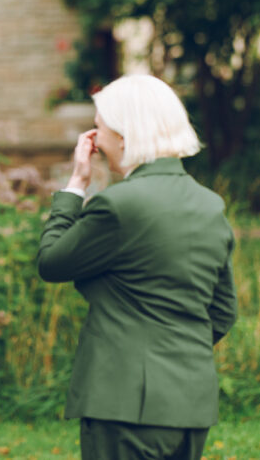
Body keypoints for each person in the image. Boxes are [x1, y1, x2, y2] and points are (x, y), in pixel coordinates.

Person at [37, 75, 237, 460]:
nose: (94, 138)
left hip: (122, 402)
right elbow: (224, 311)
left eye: (98, 127)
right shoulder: (210, 205)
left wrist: (76, 185)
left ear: (124, 136)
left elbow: (51, 261)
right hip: (190, 402)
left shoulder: (119, 205)